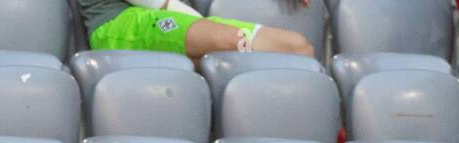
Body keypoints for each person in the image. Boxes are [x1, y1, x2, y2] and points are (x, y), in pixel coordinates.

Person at [78, 0, 316, 60]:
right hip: (120, 23)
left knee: (297, 49)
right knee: (233, 43)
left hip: (181, 18)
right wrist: (207, 29)